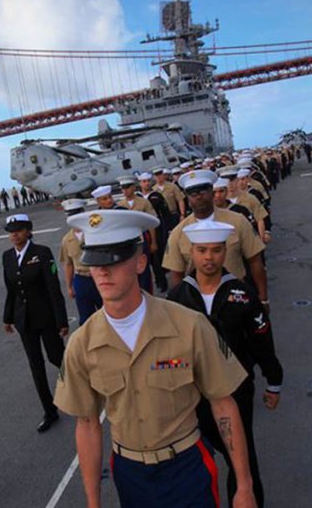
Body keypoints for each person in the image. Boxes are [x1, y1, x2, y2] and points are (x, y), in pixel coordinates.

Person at [54, 209, 258, 508]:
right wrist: (93, 503)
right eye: (95, 262)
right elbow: (87, 424)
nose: (102, 272)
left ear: (140, 262)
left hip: (187, 467)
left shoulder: (189, 326)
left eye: (114, 260)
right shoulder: (81, 345)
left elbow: (223, 404)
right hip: (130, 475)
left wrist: (244, 486)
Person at [167, 221, 284, 507]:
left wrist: (274, 381)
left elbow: (261, 340)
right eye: (202, 250)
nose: (209, 257)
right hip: (192, 394)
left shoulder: (242, 294)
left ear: (225, 252)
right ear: (191, 253)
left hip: (236, 391)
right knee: (191, 462)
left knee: (243, 463)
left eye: (216, 250)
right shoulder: (177, 297)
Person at [1, 214, 69, 432]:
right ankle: (49, 411)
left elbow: (53, 288)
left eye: (19, 230)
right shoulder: (7, 257)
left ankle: (81, 389)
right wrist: (7, 318)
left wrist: (61, 320)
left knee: (57, 358)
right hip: (24, 321)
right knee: (35, 366)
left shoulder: (42, 253)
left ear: (28, 231)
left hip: (46, 318)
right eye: (11, 231)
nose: (14, 235)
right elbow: (11, 290)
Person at [163, 170, 269, 307]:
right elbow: (176, 275)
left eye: (203, 191)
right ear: (187, 198)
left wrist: (263, 298)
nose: (199, 197)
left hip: (237, 298)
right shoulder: (178, 233)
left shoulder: (238, 221)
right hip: (198, 303)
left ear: (212, 193)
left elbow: (255, 261)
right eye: (193, 194)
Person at [59, 199, 103, 325]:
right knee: (86, 318)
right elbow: (68, 264)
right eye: (70, 215)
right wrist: (69, 286)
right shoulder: (67, 240)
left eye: (77, 214)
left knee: (108, 312)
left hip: (99, 276)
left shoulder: (95, 233)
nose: (74, 218)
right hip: (81, 279)